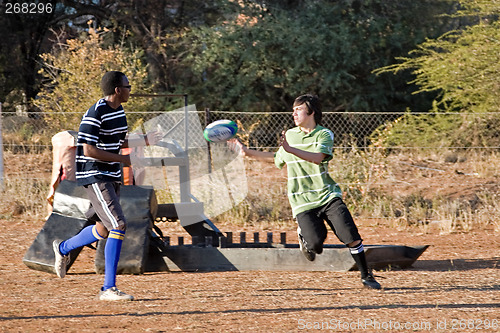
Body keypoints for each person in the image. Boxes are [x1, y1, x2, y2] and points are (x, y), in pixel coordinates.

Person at [231, 94, 381, 289]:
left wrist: (290, 149)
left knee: (351, 236)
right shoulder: (291, 135)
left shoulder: (323, 134)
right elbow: (277, 157)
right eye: (293, 109)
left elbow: (318, 158)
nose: (294, 113)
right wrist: (247, 152)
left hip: (328, 196)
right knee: (316, 244)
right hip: (301, 200)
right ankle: (305, 236)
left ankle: (366, 276)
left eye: (298, 109)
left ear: (311, 111)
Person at [52, 71, 161, 301]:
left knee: (103, 229)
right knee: (118, 224)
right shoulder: (95, 112)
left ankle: (62, 248)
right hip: (94, 174)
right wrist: (124, 160)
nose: (130, 89)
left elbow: (119, 141)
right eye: (128, 86)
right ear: (117, 90)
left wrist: (146, 139)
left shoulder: (119, 111)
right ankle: (108, 289)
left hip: (111, 174)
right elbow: (88, 150)